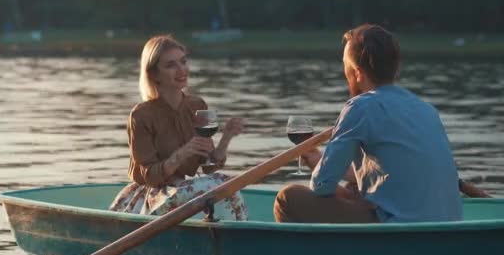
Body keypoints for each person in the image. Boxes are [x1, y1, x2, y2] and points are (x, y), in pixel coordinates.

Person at [274, 24, 472, 223]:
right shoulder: (427, 110)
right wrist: (328, 167)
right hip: (448, 224)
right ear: (395, 68)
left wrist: (329, 176)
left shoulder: (359, 107)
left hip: (399, 229)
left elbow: (321, 185)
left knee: (287, 199)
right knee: (354, 189)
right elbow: (393, 173)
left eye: (345, 66)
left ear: (358, 73)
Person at [109, 35, 248, 221]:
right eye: (171, 65)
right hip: (154, 196)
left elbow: (208, 166)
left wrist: (226, 138)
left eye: (183, 62)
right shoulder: (141, 115)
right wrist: (181, 154)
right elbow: (150, 176)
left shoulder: (197, 105)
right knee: (222, 183)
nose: (181, 69)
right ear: (154, 74)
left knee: (227, 186)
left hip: (184, 189)